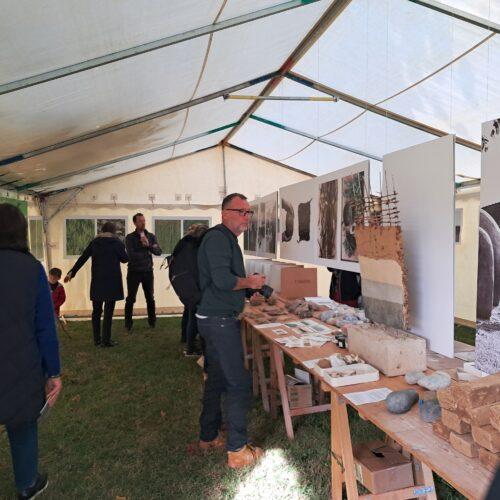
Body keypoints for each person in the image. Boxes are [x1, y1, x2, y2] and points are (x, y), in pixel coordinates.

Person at [196, 193, 266, 468]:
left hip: (215, 317)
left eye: (249, 212)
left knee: (216, 379)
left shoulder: (227, 239)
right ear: (225, 213)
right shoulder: (217, 238)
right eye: (241, 211)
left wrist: (247, 291)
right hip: (219, 320)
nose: (246, 217)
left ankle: (208, 436)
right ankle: (237, 450)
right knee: (238, 383)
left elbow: (225, 281)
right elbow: (223, 280)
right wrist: (249, 282)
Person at [0, 203, 62, 499]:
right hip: (22, 364)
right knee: (22, 424)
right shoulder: (31, 268)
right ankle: (26, 483)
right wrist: (54, 372)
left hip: (18, 360)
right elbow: (45, 326)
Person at [65, 222, 128, 347]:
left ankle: (97, 340)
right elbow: (125, 259)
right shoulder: (117, 243)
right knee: (108, 312)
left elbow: (83, 258)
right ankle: (106, 340)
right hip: (112, 281)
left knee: (97, 312)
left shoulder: (95, 242)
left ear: (102, 231)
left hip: (98, 281)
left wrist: (72, 272)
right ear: (113, 231)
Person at [171, 223, 209, 356]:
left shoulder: (185, 242)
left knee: (189, 312)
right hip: (192, 285)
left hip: (184, 284)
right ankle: (192, 348)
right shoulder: (194, 246)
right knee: (194, 316)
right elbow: (197, 268)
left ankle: (187, 341)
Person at [124, 213, 162, 331]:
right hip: (134, 272)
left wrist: (148, 245)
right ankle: (128, 324)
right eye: (140, 221)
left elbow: (158, 252)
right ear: (135, 223)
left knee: (150, 298)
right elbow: (131, 255)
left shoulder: (151, 236)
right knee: (131, 298)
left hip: (148, 272)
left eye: (144, 220)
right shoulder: (130, 238)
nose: (143, 223)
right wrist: (146, 251)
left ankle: (152, 322)